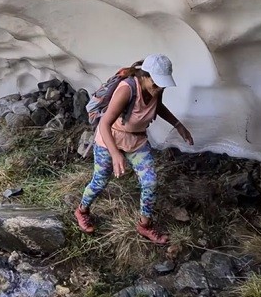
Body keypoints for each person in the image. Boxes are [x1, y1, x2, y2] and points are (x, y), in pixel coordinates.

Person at [74, 54, 194, 244]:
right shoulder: (127, 89)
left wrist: (178, 125)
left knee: (150, 182)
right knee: (100, 180)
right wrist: (115, 154)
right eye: (155, 84)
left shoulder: (156, 88)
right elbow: (104, 124)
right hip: (109, 139)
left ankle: (144, 225)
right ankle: (82, 210)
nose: (159, 88)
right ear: (144, 76)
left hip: (136, 142)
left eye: (162, 85)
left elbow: (158, 106)